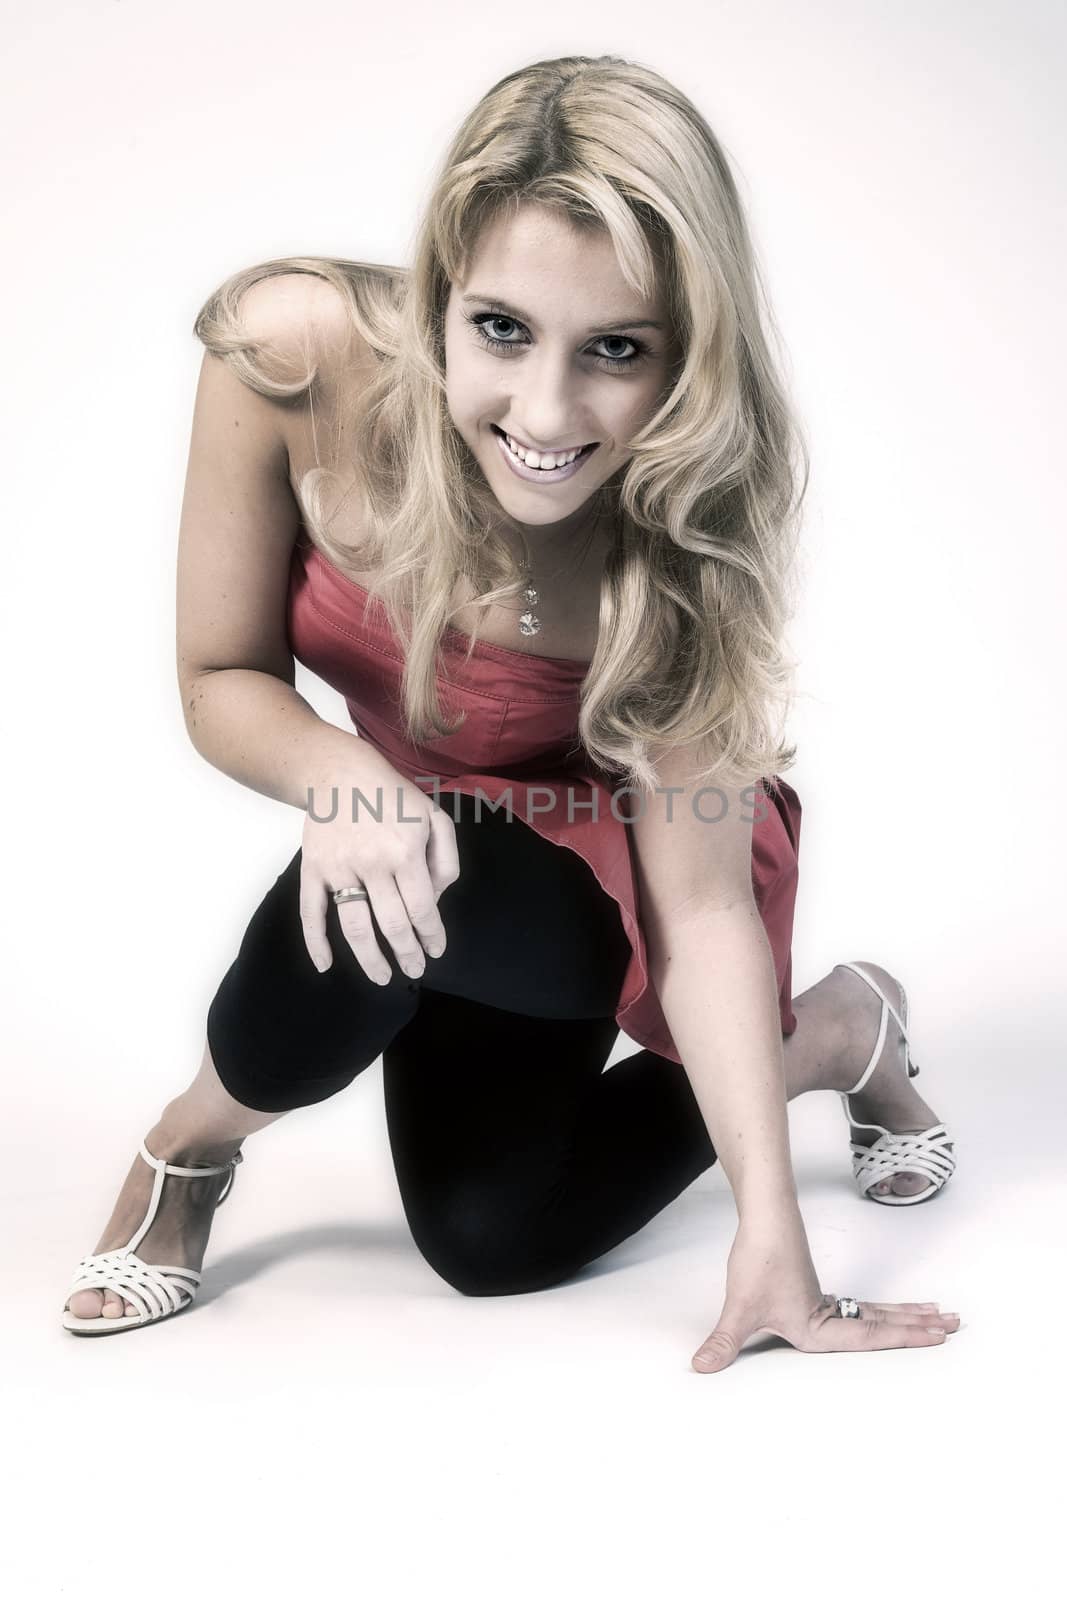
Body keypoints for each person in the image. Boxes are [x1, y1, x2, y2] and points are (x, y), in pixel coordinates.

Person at [61, 53, 958, 1367]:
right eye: (499, 329)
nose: (544, 413)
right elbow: (219, 674)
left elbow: (701, 907)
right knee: (497, 1238)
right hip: (426, 837)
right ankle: (832, 1031)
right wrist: (336, 773)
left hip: (626, 871)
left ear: (685, 354)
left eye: (615, 351)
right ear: (438, 292)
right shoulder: (290, 356)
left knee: (401, 883)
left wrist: (776, 1244)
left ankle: (188, 1148)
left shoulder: (682, 536)